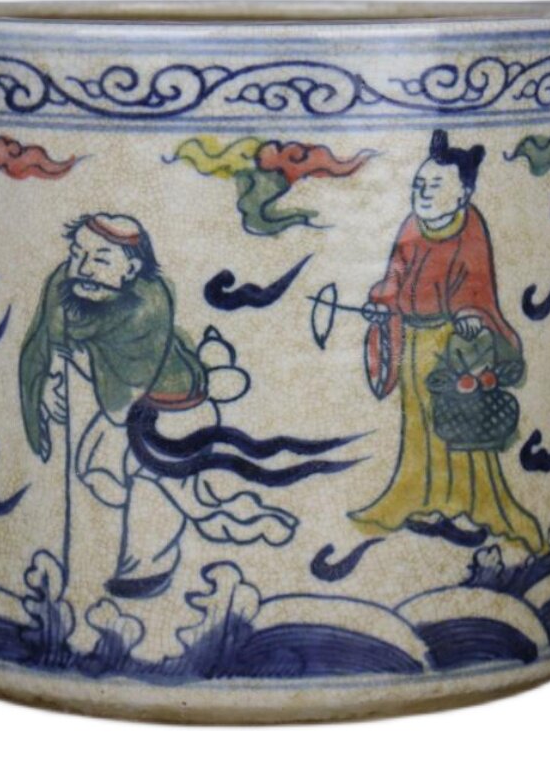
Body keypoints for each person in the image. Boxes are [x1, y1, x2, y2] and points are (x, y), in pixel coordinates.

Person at [20, 213, 357, 598]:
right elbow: (47, 342)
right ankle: (140, 567)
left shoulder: (146, 307)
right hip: (124, 413)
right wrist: (50, 380)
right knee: (109, 477)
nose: (83, 268)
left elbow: (126, 386)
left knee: (161, 488)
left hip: (175, 414)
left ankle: (153, 569)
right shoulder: (64, 290)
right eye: (77, 253)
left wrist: (79, 362)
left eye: (100, 259)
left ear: (131, 269)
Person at [349, 130, 545, 554]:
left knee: (460, 421)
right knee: (418, 421)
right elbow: (393, 277)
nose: (422, 192)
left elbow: (477, 287)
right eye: (419, 184)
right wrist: (381, 305)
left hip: (454, 346)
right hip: (413, 342)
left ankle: (472, 498)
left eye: (435, 185)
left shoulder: (471, 228)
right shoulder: (411, 225)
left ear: (462, 194)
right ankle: (419, 494)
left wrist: (471, 314)